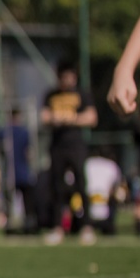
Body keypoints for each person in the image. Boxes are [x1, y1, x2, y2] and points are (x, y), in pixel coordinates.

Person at [40, 63, 97, 244]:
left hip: (76, 146)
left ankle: (87, 227)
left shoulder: (82, 94)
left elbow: (92, 117)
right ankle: (58, 228)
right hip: (57, 146)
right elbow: (44, 116)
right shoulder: (51, 94)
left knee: (81, 185)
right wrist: (55, 118)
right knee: (57, 188)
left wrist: (71, 118)